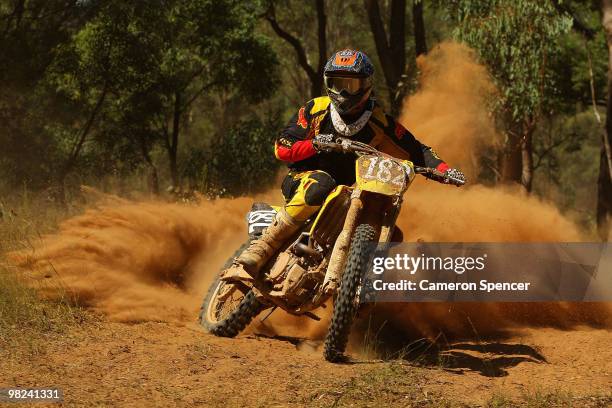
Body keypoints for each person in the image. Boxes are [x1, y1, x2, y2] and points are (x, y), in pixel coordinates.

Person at [236, 49, 464, 278]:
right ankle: (263, 246)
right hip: (303, 180)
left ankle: (356, 289)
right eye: (337, 83)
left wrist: (445, 170)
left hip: (350, 195)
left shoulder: (380, 121)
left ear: (366, 85)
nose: (344, 92)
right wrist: (314, 144)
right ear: (328, 83)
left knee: (392, 233)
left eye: (351, 85)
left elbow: (417, 150)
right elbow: (282, 147)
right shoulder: (315, 109)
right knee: (321, 183)